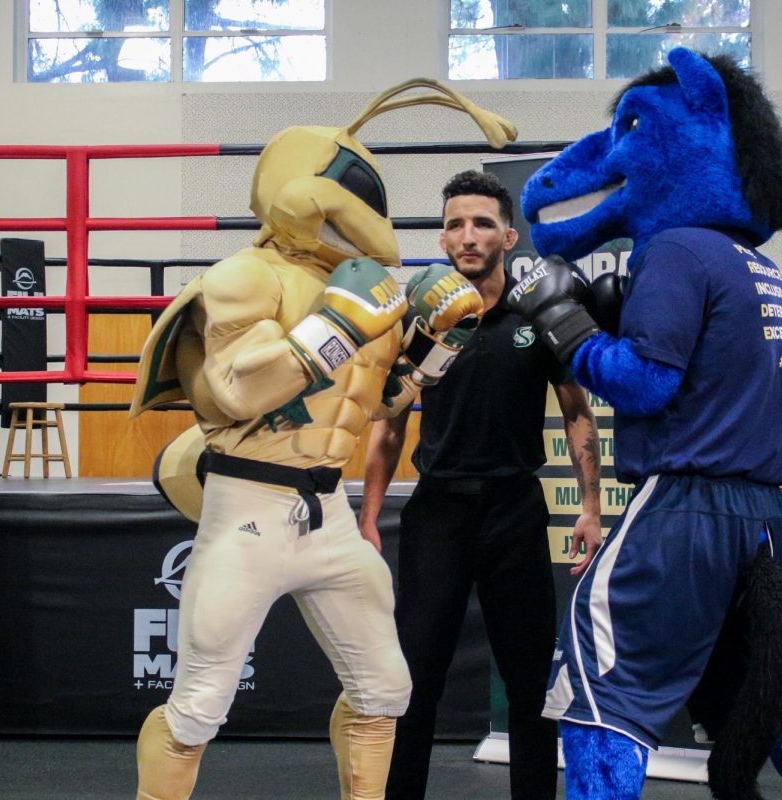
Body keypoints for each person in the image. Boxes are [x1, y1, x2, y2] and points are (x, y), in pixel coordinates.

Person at [128, 83, 516, 800]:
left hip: (328, 513)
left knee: (384, 689)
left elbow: (377, 404)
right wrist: (338, 327)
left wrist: (435, 349)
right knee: (200, 704)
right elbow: (237, 392)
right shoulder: (247, 275)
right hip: (248, 505)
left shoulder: (367, 289)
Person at [510, 49, 782, 800]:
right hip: (757, 516)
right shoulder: (753, 265)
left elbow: (645, 385)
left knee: (597, 690)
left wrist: (565, 324)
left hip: (681, 512)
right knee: (768, 690)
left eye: (636, 129)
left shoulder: (674, 249)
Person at [359, 169, 603, 800]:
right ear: (442, 239)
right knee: (414, 680)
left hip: (515, 513)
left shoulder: (538, 315)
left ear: (508, 235)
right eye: (455, 224)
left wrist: (591, 509)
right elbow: (387, 427)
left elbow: (577, 412)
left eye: (482, 223)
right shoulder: (418, 325)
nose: (468, 236)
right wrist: (368, 517)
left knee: (528, 686)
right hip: (437, 514)